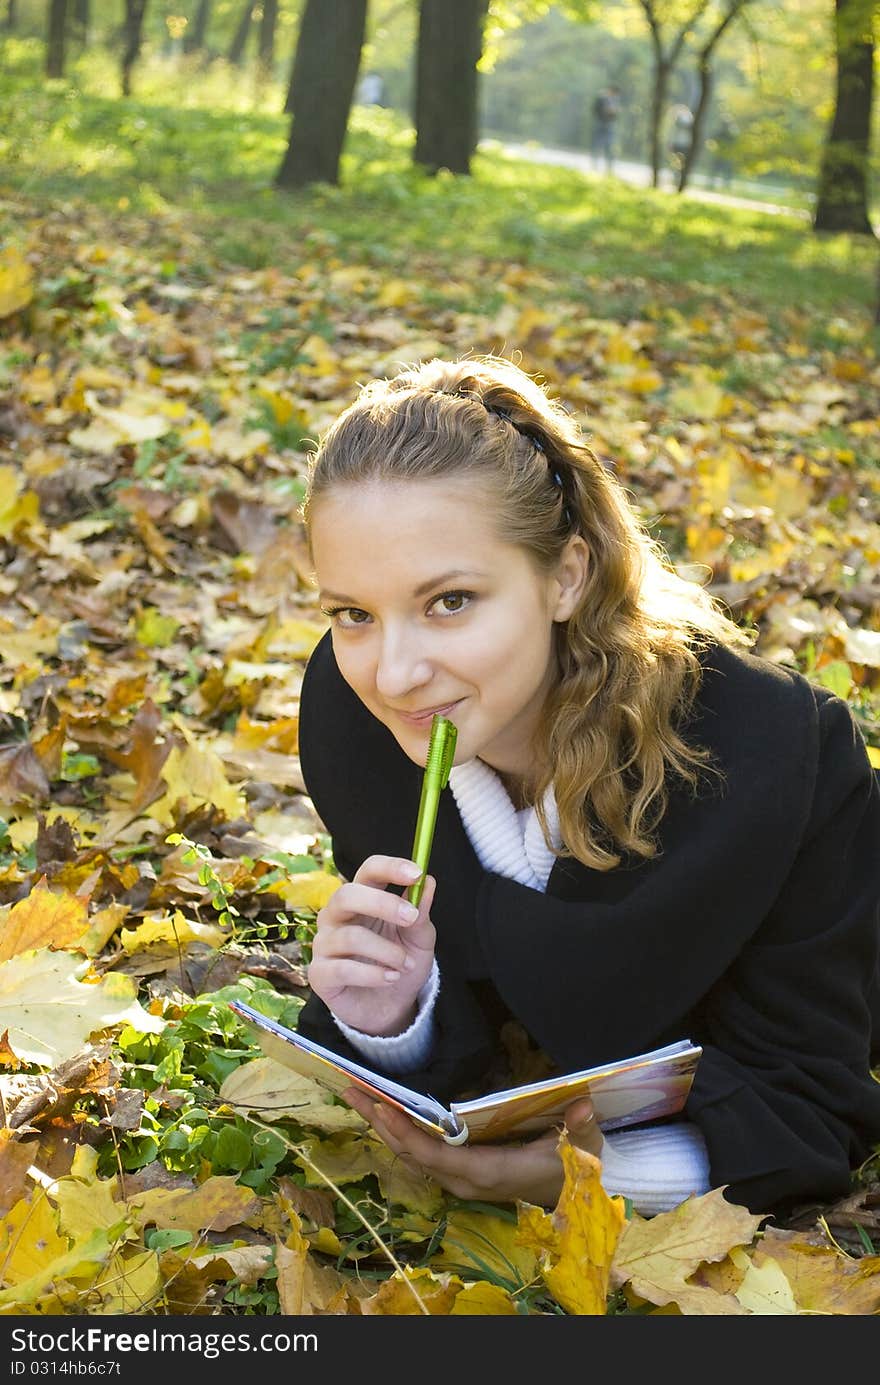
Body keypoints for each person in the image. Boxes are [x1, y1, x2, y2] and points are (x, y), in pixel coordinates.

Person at [294, 353, 880, 1221]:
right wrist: (393, 1015)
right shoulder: (359, 724)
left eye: (450, 601)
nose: (396, 672)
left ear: (565, 576)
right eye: (354, 613)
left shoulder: (774, 756)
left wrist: (583, 1177)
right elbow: (474, 1023)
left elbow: (811, 1100)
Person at [591, 84, 621, 174]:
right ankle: (594, 165)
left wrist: (614, 112)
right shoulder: (601, 98)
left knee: (609, 146)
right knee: (597, 144)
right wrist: (603, 113)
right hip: (600, 123)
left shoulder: (615, 101)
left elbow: (615, 115)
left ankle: (609, 168)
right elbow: (595, 109)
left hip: (609, 125)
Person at [668, 102, 694, 183]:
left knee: (681, 162)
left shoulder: (689, 119)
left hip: (684, 144)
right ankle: (676, 177)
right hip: (677, 143)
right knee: (676, 161)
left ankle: (679, 178)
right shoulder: (679, 119)